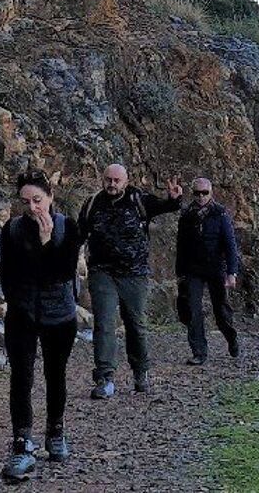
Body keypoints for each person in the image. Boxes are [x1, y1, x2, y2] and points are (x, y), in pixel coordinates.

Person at [0, 170, 83, 483]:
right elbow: (8, 274)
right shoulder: (12, 230)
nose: (33, 208)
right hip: (23, 313)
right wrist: (17, 303)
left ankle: (55, 431)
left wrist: (46, 243)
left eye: (37, 200)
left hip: (59, 313)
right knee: (21, 377)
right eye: (26, 202)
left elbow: (61, 272)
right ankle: (22, 443)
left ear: (50, 197)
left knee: (55, 374)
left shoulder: (68, 227)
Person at [77, 164, 183, 398]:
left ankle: (140, 372)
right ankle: (105, 377)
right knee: (104, 323)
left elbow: (164, 206)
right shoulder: (92, 203)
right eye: (108, 179)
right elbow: (79, 235)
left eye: (117, 180)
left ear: (126, 181)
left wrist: (174, 199)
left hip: (134, 274)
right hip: (102, 272)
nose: (112, 184)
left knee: (136, 324)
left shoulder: (138, 199)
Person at [176, 178, 241, 365]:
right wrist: (180, 273)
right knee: (192, 310)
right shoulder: (187, 215)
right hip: (193, 269)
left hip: (215, 267)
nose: (201, 197)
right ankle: (199, 352)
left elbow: (230, 244)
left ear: (211, 193)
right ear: (193, 193)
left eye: (204, 193)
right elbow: (181, 245)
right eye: (197, 193)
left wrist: (232, 272)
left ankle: (231, 337)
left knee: (221, 310)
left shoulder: (220, 213)